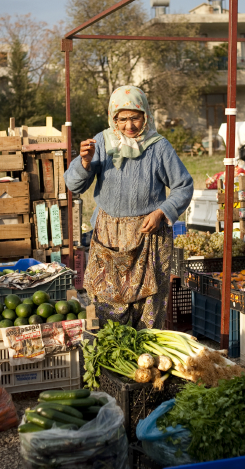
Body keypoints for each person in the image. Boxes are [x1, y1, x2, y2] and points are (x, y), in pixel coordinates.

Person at [64, 85, 193, 329]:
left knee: (149, 308)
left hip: (150, 236)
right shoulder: (101, 142)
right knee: (109, 307)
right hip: (109, 238)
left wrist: (162, 212)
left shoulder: (159, 146)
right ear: (113, 118)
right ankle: (114, 364)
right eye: (122, 119)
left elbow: (183, 186)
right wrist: (84, 162)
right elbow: (74, 185)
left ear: (145, 115)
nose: (129, 125)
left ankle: (147, 362)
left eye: (135, 117)